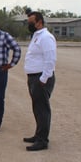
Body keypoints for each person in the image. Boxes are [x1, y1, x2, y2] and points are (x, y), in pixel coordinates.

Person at [23, 11, 57, 151]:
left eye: (31, 22)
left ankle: (43, 140)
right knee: (37, 108)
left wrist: (43, 78)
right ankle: (38, 135)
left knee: (42, 109)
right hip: (33, 77)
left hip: (41, 78)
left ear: (39, 22)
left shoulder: (46, 38)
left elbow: (50, 59)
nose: (29, 24)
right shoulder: (37, 36)